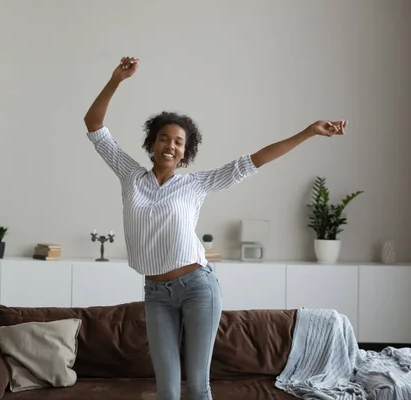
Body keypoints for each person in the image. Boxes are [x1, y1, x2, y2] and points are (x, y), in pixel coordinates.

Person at [84, 56, 347, 400]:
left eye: (179, 142)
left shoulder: (196, 184)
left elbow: (257, 159)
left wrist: (309, 132)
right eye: (164, 138)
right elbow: (94, 124)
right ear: (152, 144)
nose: (171, 145)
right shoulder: (130, 176)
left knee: (197, 386)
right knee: (166, 390)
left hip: (197, 288)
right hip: (156, 293)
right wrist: (116, 80)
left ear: (184, 153)